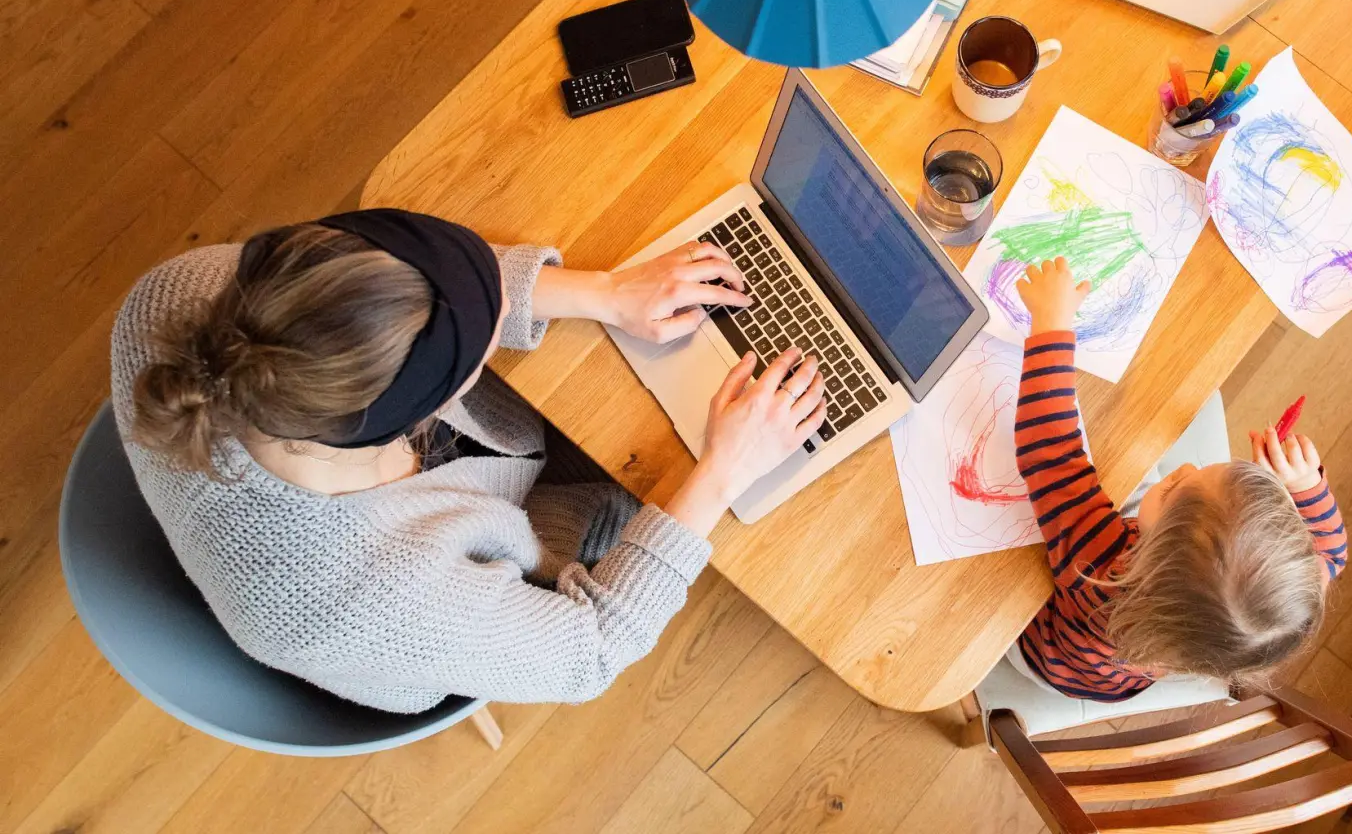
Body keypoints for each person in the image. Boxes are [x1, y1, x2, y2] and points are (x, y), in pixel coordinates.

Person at [113, 208, 823, 713]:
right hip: (476, 596)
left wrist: (604, 291)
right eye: (480, 345)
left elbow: (402, 288)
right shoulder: (368, 601)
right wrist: (724, 469)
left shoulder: (197, 293)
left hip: (468, 501)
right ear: (416, 417)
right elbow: (594, 653)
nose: (496, 332)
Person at [1005, 257, 1346, 701]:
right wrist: (1304, 486)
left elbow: (1050, 450)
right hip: (1126, 667)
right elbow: (1331, 550)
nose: (1182, 468)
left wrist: (1051, 325)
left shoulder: (1100, 563)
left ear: (1144, 558)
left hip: (1045, 653)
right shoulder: (1290, 600)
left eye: (1170, 490)